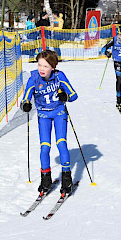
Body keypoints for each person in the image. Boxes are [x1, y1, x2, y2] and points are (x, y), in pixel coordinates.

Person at [20, 50, 78, 195]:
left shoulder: (59, 76)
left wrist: (65, 96)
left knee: (61, 143)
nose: (41, 69)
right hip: (43, 116)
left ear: (53, 66)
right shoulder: (34, 78)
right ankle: (45, 179)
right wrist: (25, 104)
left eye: (45, 66)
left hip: (59, 113)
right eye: (39, 65)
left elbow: (73, 95)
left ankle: (66, 178)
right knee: (45, 147)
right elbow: (26, 97)